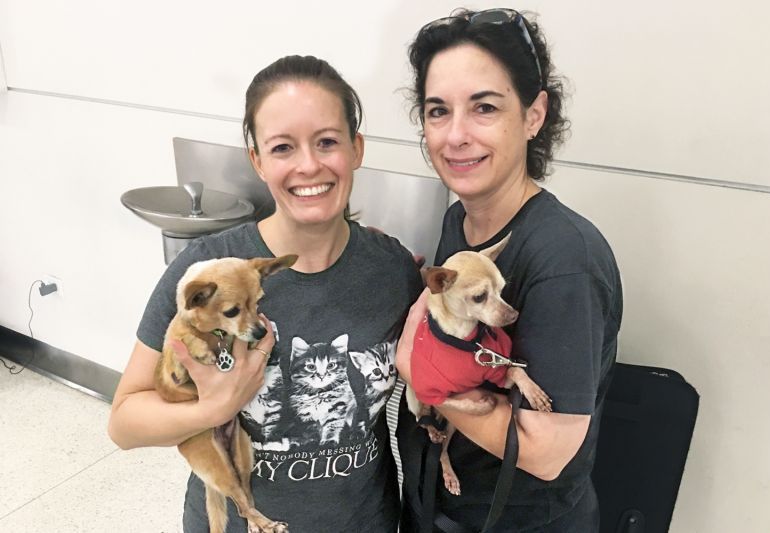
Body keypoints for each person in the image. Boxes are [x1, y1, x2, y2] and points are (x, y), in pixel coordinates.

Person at [108, 55, 423, 532]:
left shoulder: (391, 269)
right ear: (256, 160)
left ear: (356, 149)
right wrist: (213, 408)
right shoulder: (210, 273)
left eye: (327, 142)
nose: (308, 165)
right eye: (282, 148)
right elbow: (124, 422)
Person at [395, 8, 623, 532]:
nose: (454, 136)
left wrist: (419, 373)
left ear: (533, 115)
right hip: (443, 501)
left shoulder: (565, 260)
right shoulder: (462, 220)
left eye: (484, 108)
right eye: (436, 111)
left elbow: (546, 452)